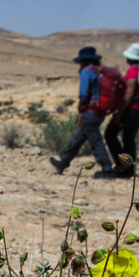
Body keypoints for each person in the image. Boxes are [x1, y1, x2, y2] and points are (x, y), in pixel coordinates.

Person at [49, 46, 115, 178]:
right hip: (99, 111)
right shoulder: (98, 71)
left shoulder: (86, 72)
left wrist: (80, 107)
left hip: (90, 111)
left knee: (95, 141)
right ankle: (63, 162)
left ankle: (107, 169)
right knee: (79, 138)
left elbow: (84, 94)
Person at [105, 43, 139, 177]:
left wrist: (119, 111)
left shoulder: (133, 70)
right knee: (129, 139)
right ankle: (129, 169)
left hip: (130, 109)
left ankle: (122, 165)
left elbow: (130, 93)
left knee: (110, 134)